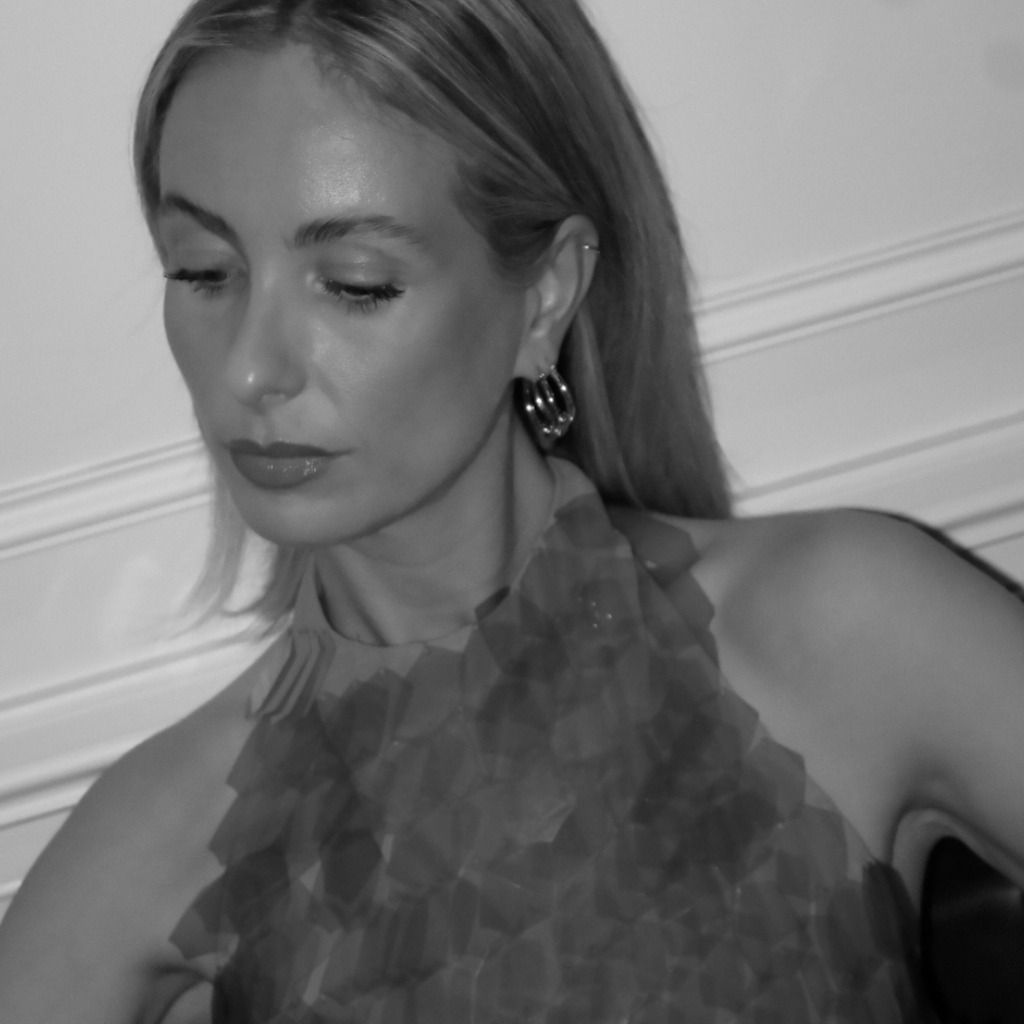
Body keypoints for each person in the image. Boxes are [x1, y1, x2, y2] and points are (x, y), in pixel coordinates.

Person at [0, 0, 1022, 1020]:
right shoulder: (150, 848)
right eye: (203, 271)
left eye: (353, 284)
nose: (250, 369)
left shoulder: (844, 626)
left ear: (543, 297)